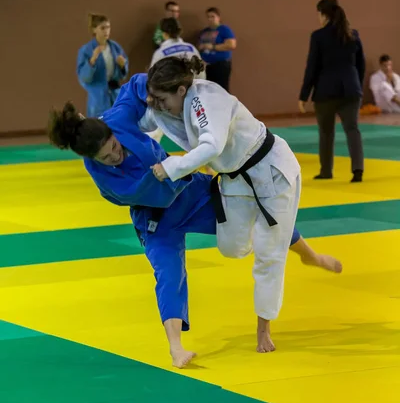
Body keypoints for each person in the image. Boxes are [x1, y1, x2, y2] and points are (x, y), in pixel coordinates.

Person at [48, 83, 341, 365]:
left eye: (114, 146)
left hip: (191, 193)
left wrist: (150, 93)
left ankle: (308, 254)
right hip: (155, 217)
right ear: (92, 159)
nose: (115, 156)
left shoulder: (116, 118)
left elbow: (135, 87)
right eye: (106, 157)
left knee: (258, 213)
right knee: (169, 273)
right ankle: (176, 348)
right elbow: (147, 191)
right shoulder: (104, 178)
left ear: (112, 131)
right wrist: (183, 165)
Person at [140, 56, 301, 353]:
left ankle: (263, 328)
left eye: (162, 99)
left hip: (272, 170)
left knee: (269, 256)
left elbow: (211, 146)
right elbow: (139, 119)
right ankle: (275, 235)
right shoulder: (170, 106)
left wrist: (172, 167)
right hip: (234, 179)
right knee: (232, 248)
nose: (158, 105)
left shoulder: (207, 100)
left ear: (181, 91)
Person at [299, 0, 365, 183]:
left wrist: (304, 94)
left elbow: (312, 67)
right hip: (351, 89)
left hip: (325, 91)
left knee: (326, 132)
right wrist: (356, 85)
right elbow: (360, 65)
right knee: (352, 129)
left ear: (324, 15)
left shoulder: (318, 36)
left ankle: (326, 170)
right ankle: (358, 170)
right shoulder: (353, 34)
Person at [77, 13, 129, 118]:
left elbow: (122, 74)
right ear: (94, 30)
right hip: (98, 98)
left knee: (118, 125)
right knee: (100, 128)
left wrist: (122, 65)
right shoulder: (86, 50)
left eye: (108, 27)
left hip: (115, 94)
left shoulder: (115, 47)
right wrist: (92, 60)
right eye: (103, 28)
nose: (106, 31)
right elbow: (83, 77)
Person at [198, 8, 236, 92]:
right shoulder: (205, 31)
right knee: (208, 91)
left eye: (213, 16)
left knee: (221, 90)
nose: (210, 19)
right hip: (206, 66)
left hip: (220, 65)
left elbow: (231, 45)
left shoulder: (224, 29)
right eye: (208, 17)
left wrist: (212, 47)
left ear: (218, 17)